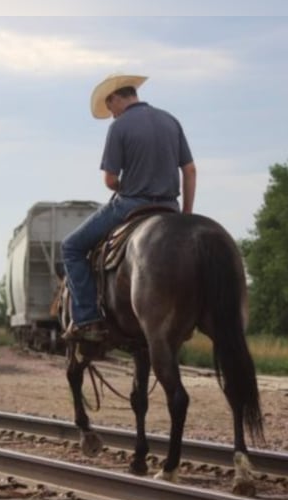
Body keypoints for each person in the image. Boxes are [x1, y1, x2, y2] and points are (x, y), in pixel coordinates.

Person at [61, 73, 197, 341]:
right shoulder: (170, 120)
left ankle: (87, 319)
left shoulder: (120, 126)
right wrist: (186, 216)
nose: (111, 114)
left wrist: (125, 185)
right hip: (170, 207)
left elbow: (110, 180)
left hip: (132, 205)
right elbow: (190, 171)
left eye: (109, 106)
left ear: (114, 98)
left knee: (71, 247)